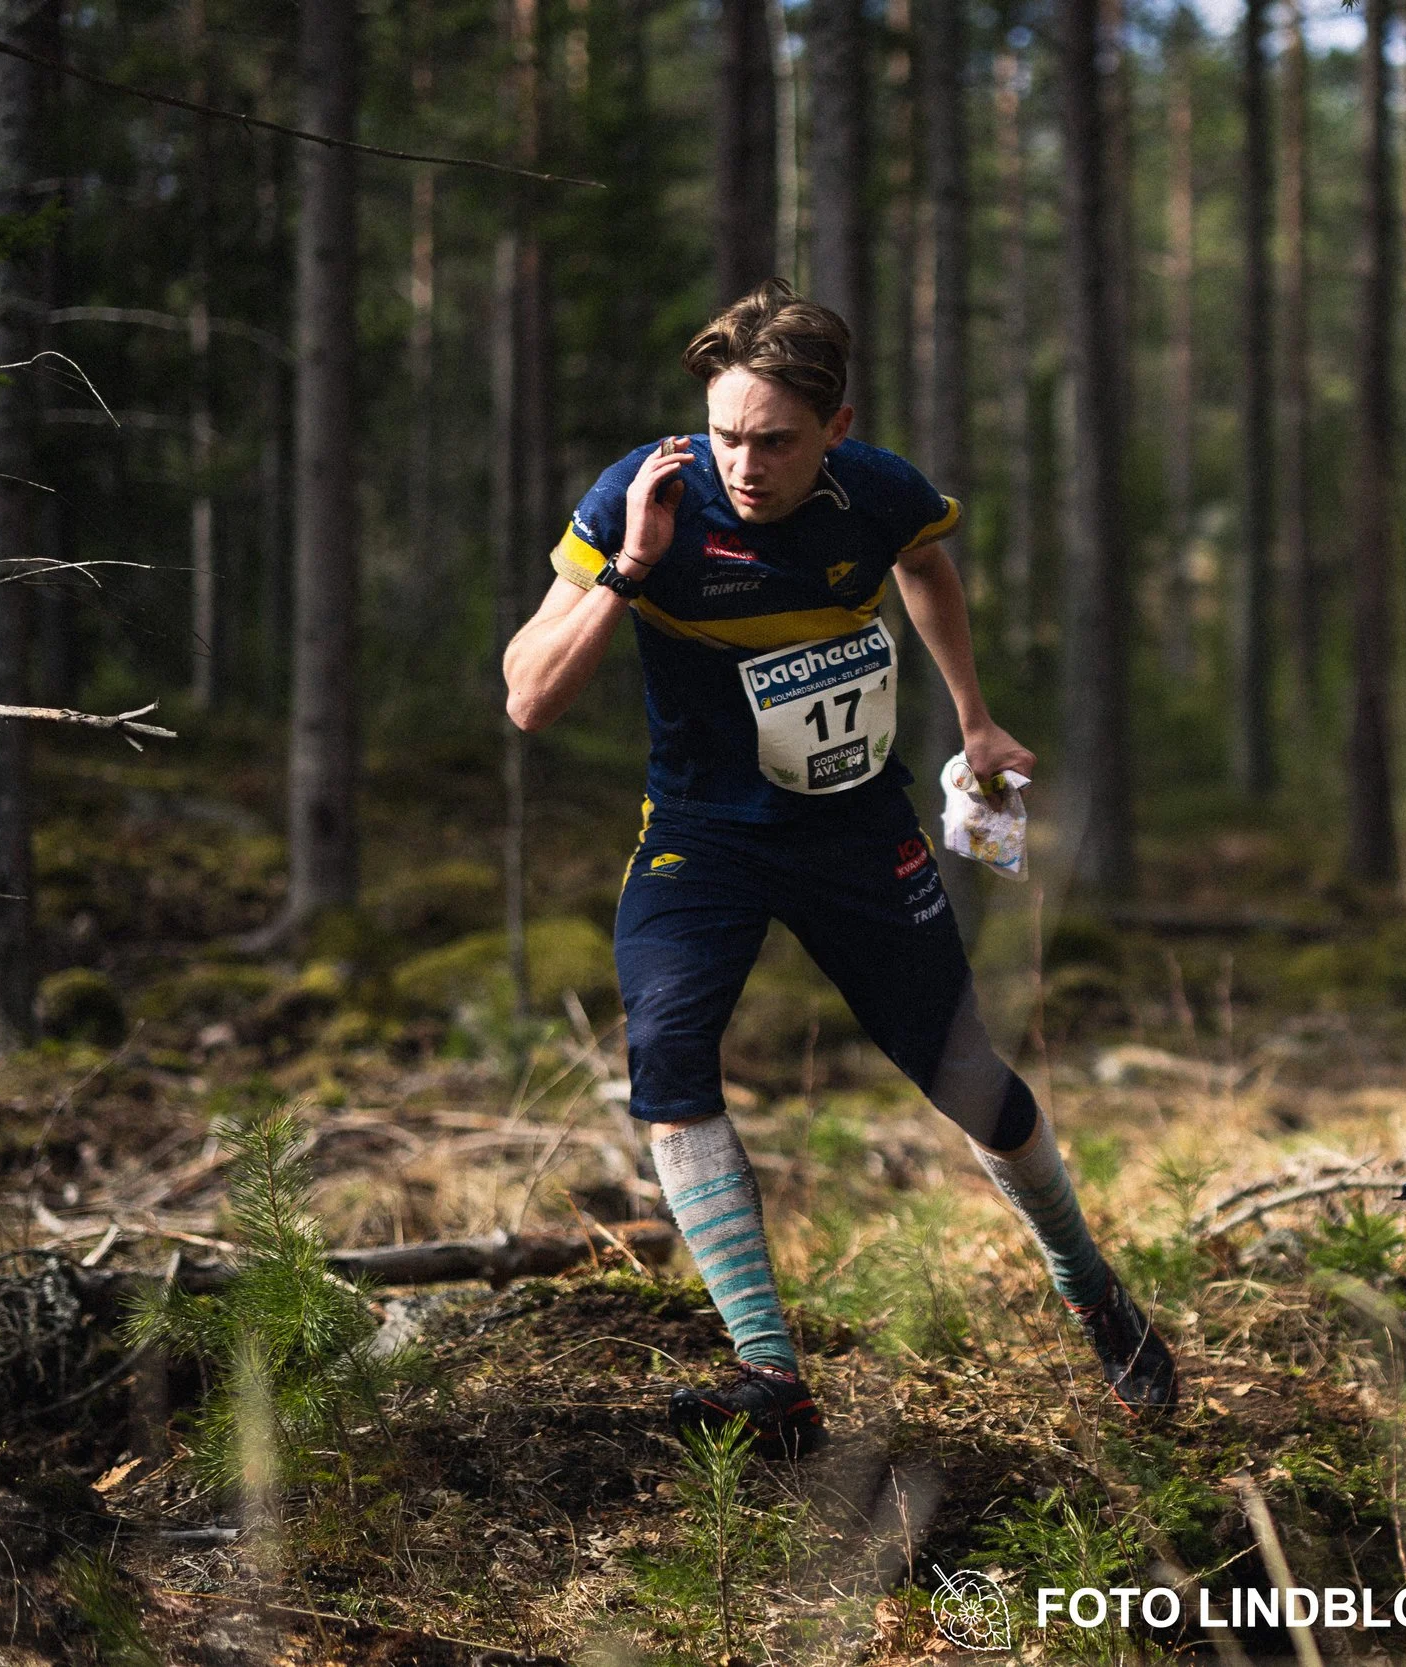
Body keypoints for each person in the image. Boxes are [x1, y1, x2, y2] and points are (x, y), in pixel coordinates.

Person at [502, 281, 1177, 1457]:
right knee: (667, 1060)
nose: (746, 465)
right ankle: (771, 1369)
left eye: (775, 440)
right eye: (726, 435)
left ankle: (1090, 1284)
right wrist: (628, 568)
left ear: (837, 430)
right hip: (702, 834)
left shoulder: (881, 493)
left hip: (856, 828)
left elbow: (924, 566)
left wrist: (974, 716)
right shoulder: (641, 495)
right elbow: (527, 698)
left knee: (964, 1074)